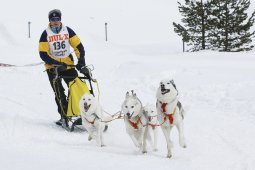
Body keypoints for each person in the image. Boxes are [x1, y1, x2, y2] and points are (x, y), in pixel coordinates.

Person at [39, 9, 88, 126]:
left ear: (60, 19)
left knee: (76, 87)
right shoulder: (45, 34)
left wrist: (81, 61)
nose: (55, 22)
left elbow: (79, 46)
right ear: (49, 21)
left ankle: (79, 112)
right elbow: (43, 53)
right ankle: (64, 116)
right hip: (52, 67)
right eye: (53, 19)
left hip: (68, 64)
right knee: (59, 92)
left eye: (57, 19)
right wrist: (55, 63)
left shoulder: (67, 31)